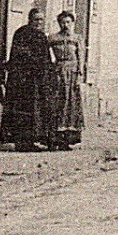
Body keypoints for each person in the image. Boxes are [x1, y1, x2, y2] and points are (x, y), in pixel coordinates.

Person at [0, 8, 54, 151]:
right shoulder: (21, 33)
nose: (39, 23)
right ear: (30, 20)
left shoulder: (42, 36)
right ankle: (18, 140)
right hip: (22, 78)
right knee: (21, 108)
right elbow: (18, 54)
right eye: (36, 19)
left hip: (36, 78)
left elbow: (46, 57)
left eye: (41, 20)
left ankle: (32, 139)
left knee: (34, 108)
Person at [45, 11, 85, 150]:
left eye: (68, 22)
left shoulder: (77, 38)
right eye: (63, 22)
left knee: (71, 104)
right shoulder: (52, 38)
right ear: (59, 23)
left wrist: (79, 75)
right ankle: (55, 138)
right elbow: (46, 55)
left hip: (72, 73)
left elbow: (81, 58)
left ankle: (69, 138)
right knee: (57, 103)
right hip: (58, 73)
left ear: (72, 23)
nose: (65, 25)